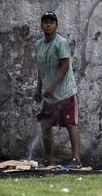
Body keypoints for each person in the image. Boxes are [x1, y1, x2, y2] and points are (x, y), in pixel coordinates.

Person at [34, 11, 81, 168]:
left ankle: (76, 160)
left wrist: (52, 86)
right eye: (45, 22)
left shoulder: (61, 43)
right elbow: (41, 69)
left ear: (56, 25)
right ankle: (49, 160)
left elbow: (65, 66)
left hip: (65, 92)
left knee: (70, 124)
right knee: (45, 125)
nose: (48, 25)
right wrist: (39, 88)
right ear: (41, 26)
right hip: (49, 95)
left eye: (51, 22)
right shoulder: (39, 45)